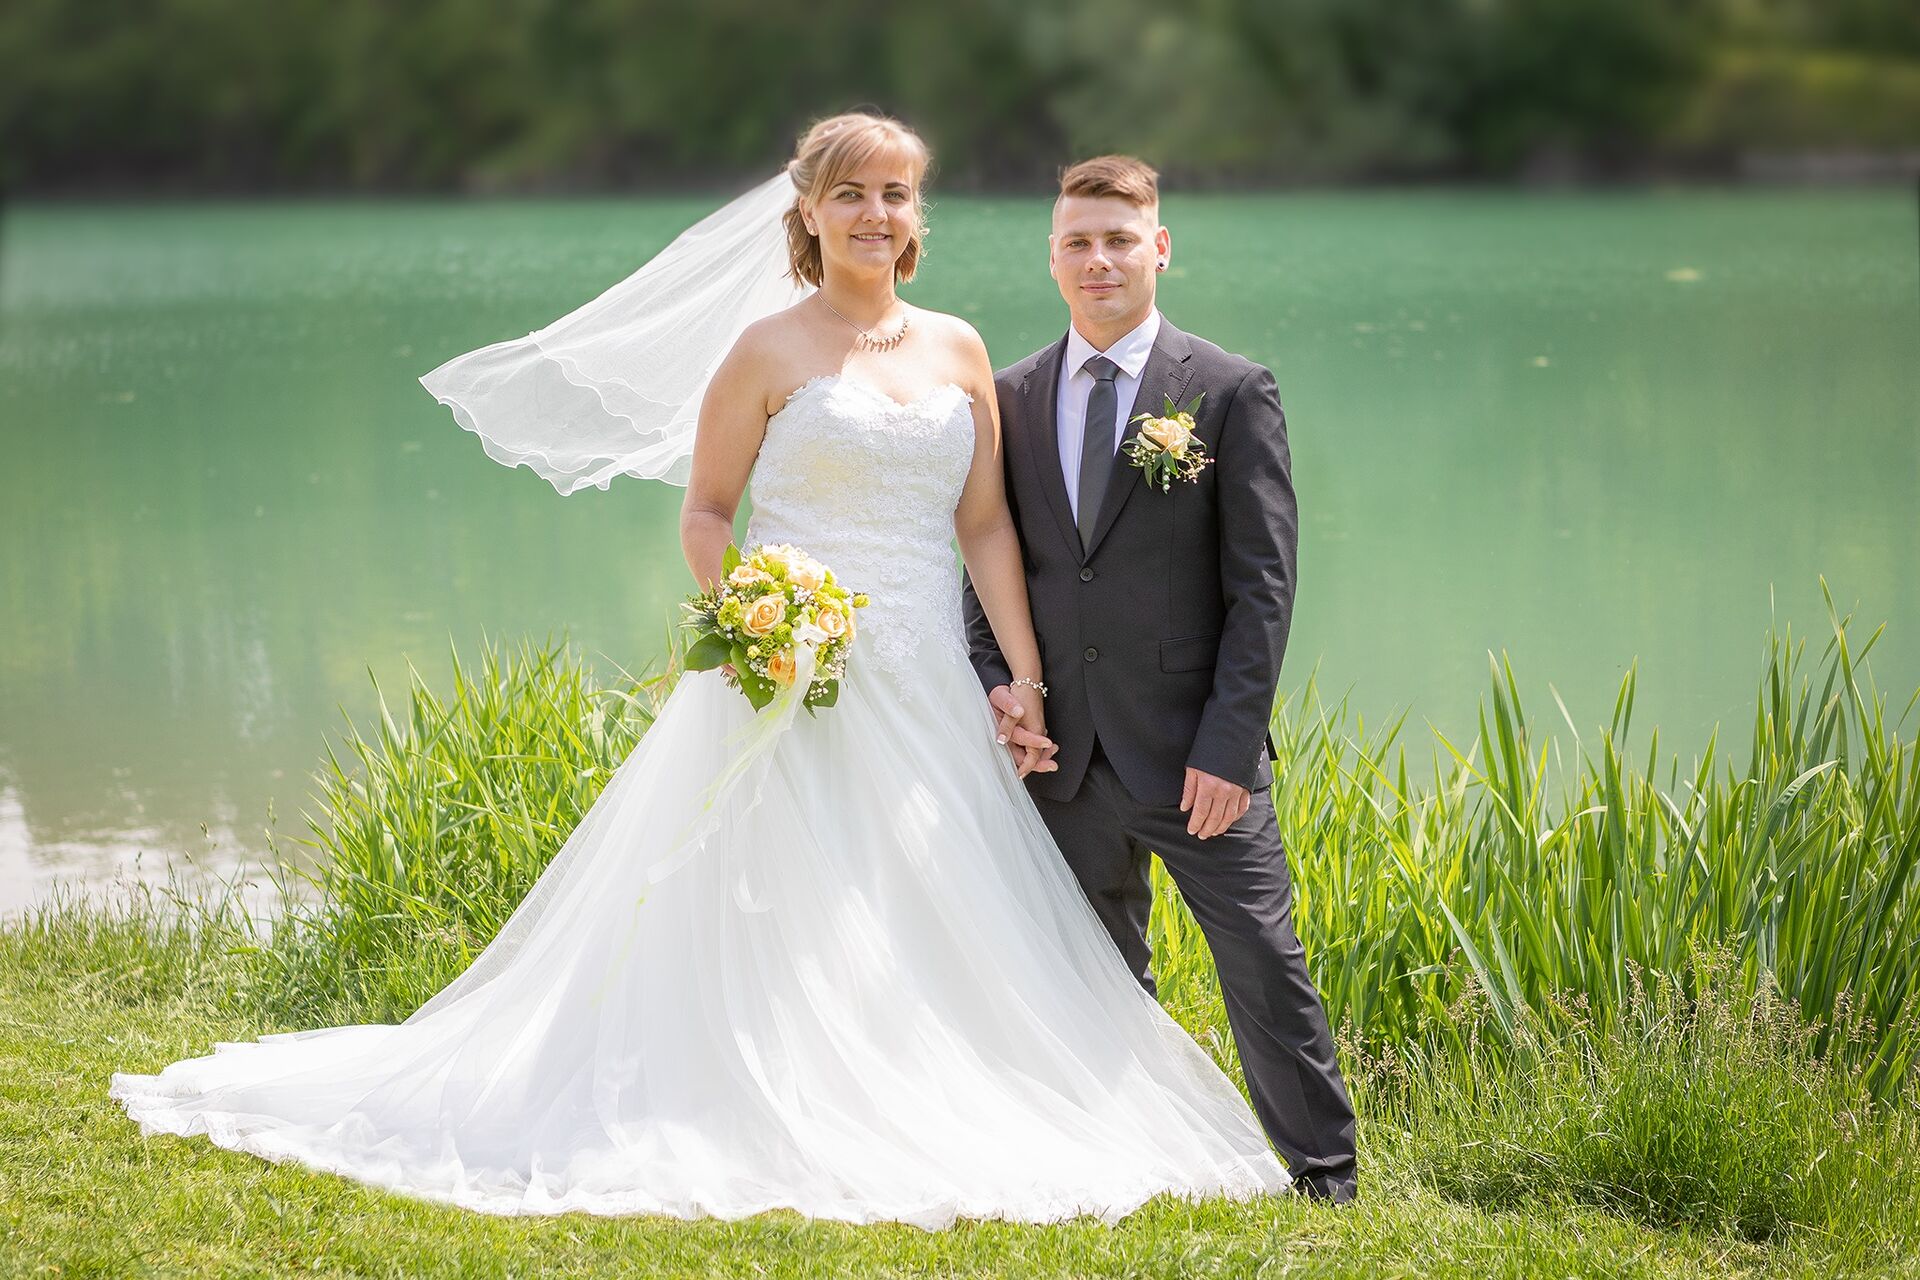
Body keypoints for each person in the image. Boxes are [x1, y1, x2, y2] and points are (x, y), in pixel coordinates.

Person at [109, 113, 1291, 1229]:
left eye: (895, 193)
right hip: (790, 673)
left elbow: (983, 527)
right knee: (776, 895)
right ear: (809, 211)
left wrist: (1024, 682)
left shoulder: (959, 347)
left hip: (928, 671)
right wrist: (761, 619)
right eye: (851, 194)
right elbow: (708, 512)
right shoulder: (765, 349)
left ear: (917, 214)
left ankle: (917, 1080)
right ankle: (762, 1093)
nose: (875, 214)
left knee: (926, 895)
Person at [962, 155, 1358, 1203]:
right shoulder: (1009, 397)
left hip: (1196, 757)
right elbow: (986, 569)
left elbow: (1263, 588)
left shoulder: (1228, 391)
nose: (1099, 260)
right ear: (1052, 258)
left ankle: (1326, 1171)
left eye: (1119, 240)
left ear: (1160, 248)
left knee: (1263, 961)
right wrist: (1003, 686)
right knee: (1087, 969)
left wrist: (1229, 745)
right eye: (1078, 242)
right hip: (1063, 756)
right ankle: (1114, 1159)